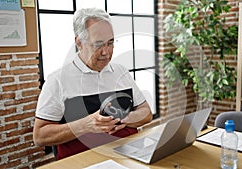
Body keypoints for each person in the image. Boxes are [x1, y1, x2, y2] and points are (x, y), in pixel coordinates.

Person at [33, 8, 153, 160]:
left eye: (110, 43)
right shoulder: (57, 81)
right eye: (98, 44)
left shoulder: (121, 72)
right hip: (84, 161)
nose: (106, 52)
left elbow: (146, 114)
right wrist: (85, 125)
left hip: (130, 157)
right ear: (79, 43)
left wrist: (125, 118)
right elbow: (39, 137)